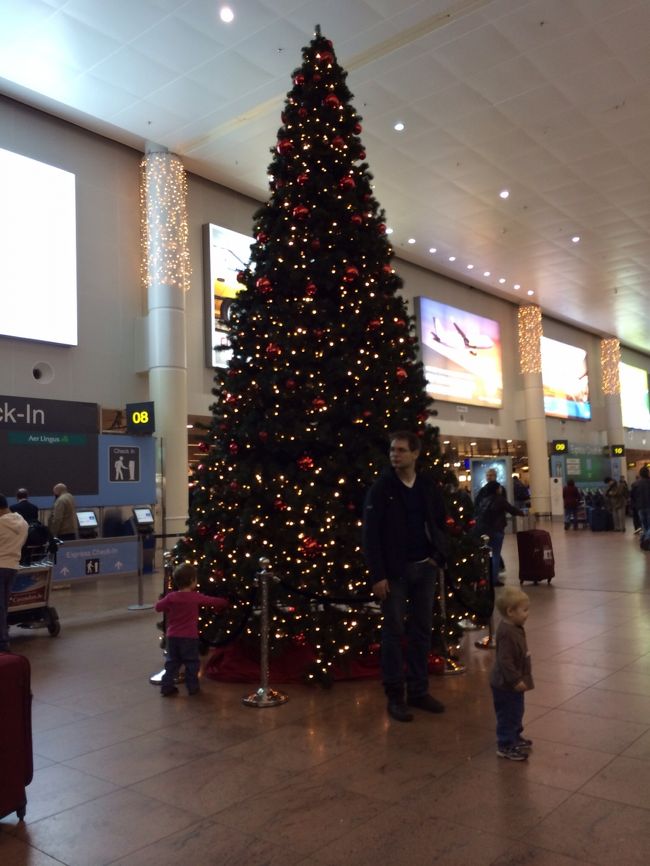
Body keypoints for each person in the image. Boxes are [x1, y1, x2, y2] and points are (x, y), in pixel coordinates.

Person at [362, 430, 448, 722]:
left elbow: (439, 520)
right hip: (395, 574)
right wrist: (378, 575)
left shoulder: (426, 486)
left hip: (425, 568)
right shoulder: (382, 488)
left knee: (422, 630)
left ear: (415, 454)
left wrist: (437, 556)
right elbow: (370, 535)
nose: (394, 455)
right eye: (392, 450)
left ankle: (419, 690)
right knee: (393, 633)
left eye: (400, 450)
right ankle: (395, 695)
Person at [154, 563, 229, 696]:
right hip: (189, 637)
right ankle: (192, 687)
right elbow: (211, 601)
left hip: (172, 636)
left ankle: (166, 686)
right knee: (191, 663)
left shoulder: (172, 597)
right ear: (191, 581)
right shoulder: (195, 597)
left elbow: (158, 607)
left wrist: (168, 606)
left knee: (172, 663)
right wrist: (225, 602)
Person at [490, 586, 534, 761]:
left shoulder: (514, 626)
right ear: (510, 611)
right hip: (506, 684)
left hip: (512, 682)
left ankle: (514, 736)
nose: (527, 614)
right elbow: (505, 661)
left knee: (516, 711)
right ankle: (505, 744)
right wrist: (516, 680)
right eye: (524, 610)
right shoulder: (507, 633)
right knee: (508, 713)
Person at [474, 472, 524, 587]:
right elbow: (512, 509)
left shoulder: (484, 499)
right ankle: (494, 580)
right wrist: (522, 513)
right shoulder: (499, 499)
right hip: (496, 530)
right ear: (496, 489)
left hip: (484, 529)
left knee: (486, 554)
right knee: (496, 554)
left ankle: (485, 578)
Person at [0, 493, 29, 653]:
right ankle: (3, 638)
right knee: (3, 606)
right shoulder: (22, 522)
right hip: (12, 567)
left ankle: (2, 643)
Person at [633, 466, 650, 535]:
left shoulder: (635, 484)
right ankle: (647, 539)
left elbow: (633, 496)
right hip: (649, 506)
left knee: (644, 524)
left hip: (640, 507)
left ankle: (646, 539)